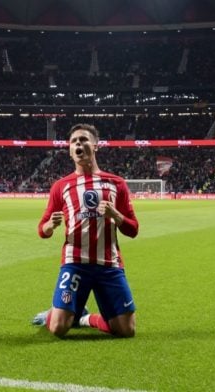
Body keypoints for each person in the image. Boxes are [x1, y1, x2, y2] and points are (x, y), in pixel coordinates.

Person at [31, 123, 139, 338]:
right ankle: (54, 313)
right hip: (75, 264)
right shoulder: (61, 186)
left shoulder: (116, 183)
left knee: (126, 330)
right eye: (74, 141)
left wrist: (116, 215)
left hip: (109, 265)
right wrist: (50, 225)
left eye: (83, 140)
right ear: (70, 151)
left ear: (95, 146)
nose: (78, 144)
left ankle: (84, 317)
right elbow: (42, 230)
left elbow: (133, 229)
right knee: (58, 328)